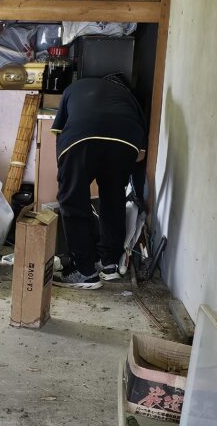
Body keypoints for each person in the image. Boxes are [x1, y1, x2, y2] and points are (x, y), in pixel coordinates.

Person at [51, 72, 147, 289]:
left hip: (81, 137)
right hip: (125, 142)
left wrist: (66, 177)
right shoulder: (129, 98)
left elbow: (59, 131)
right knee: (113, 199)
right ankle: (110, 263)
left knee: (73, 200)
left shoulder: (75, 88)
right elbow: (140, 154)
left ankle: (85, 271)